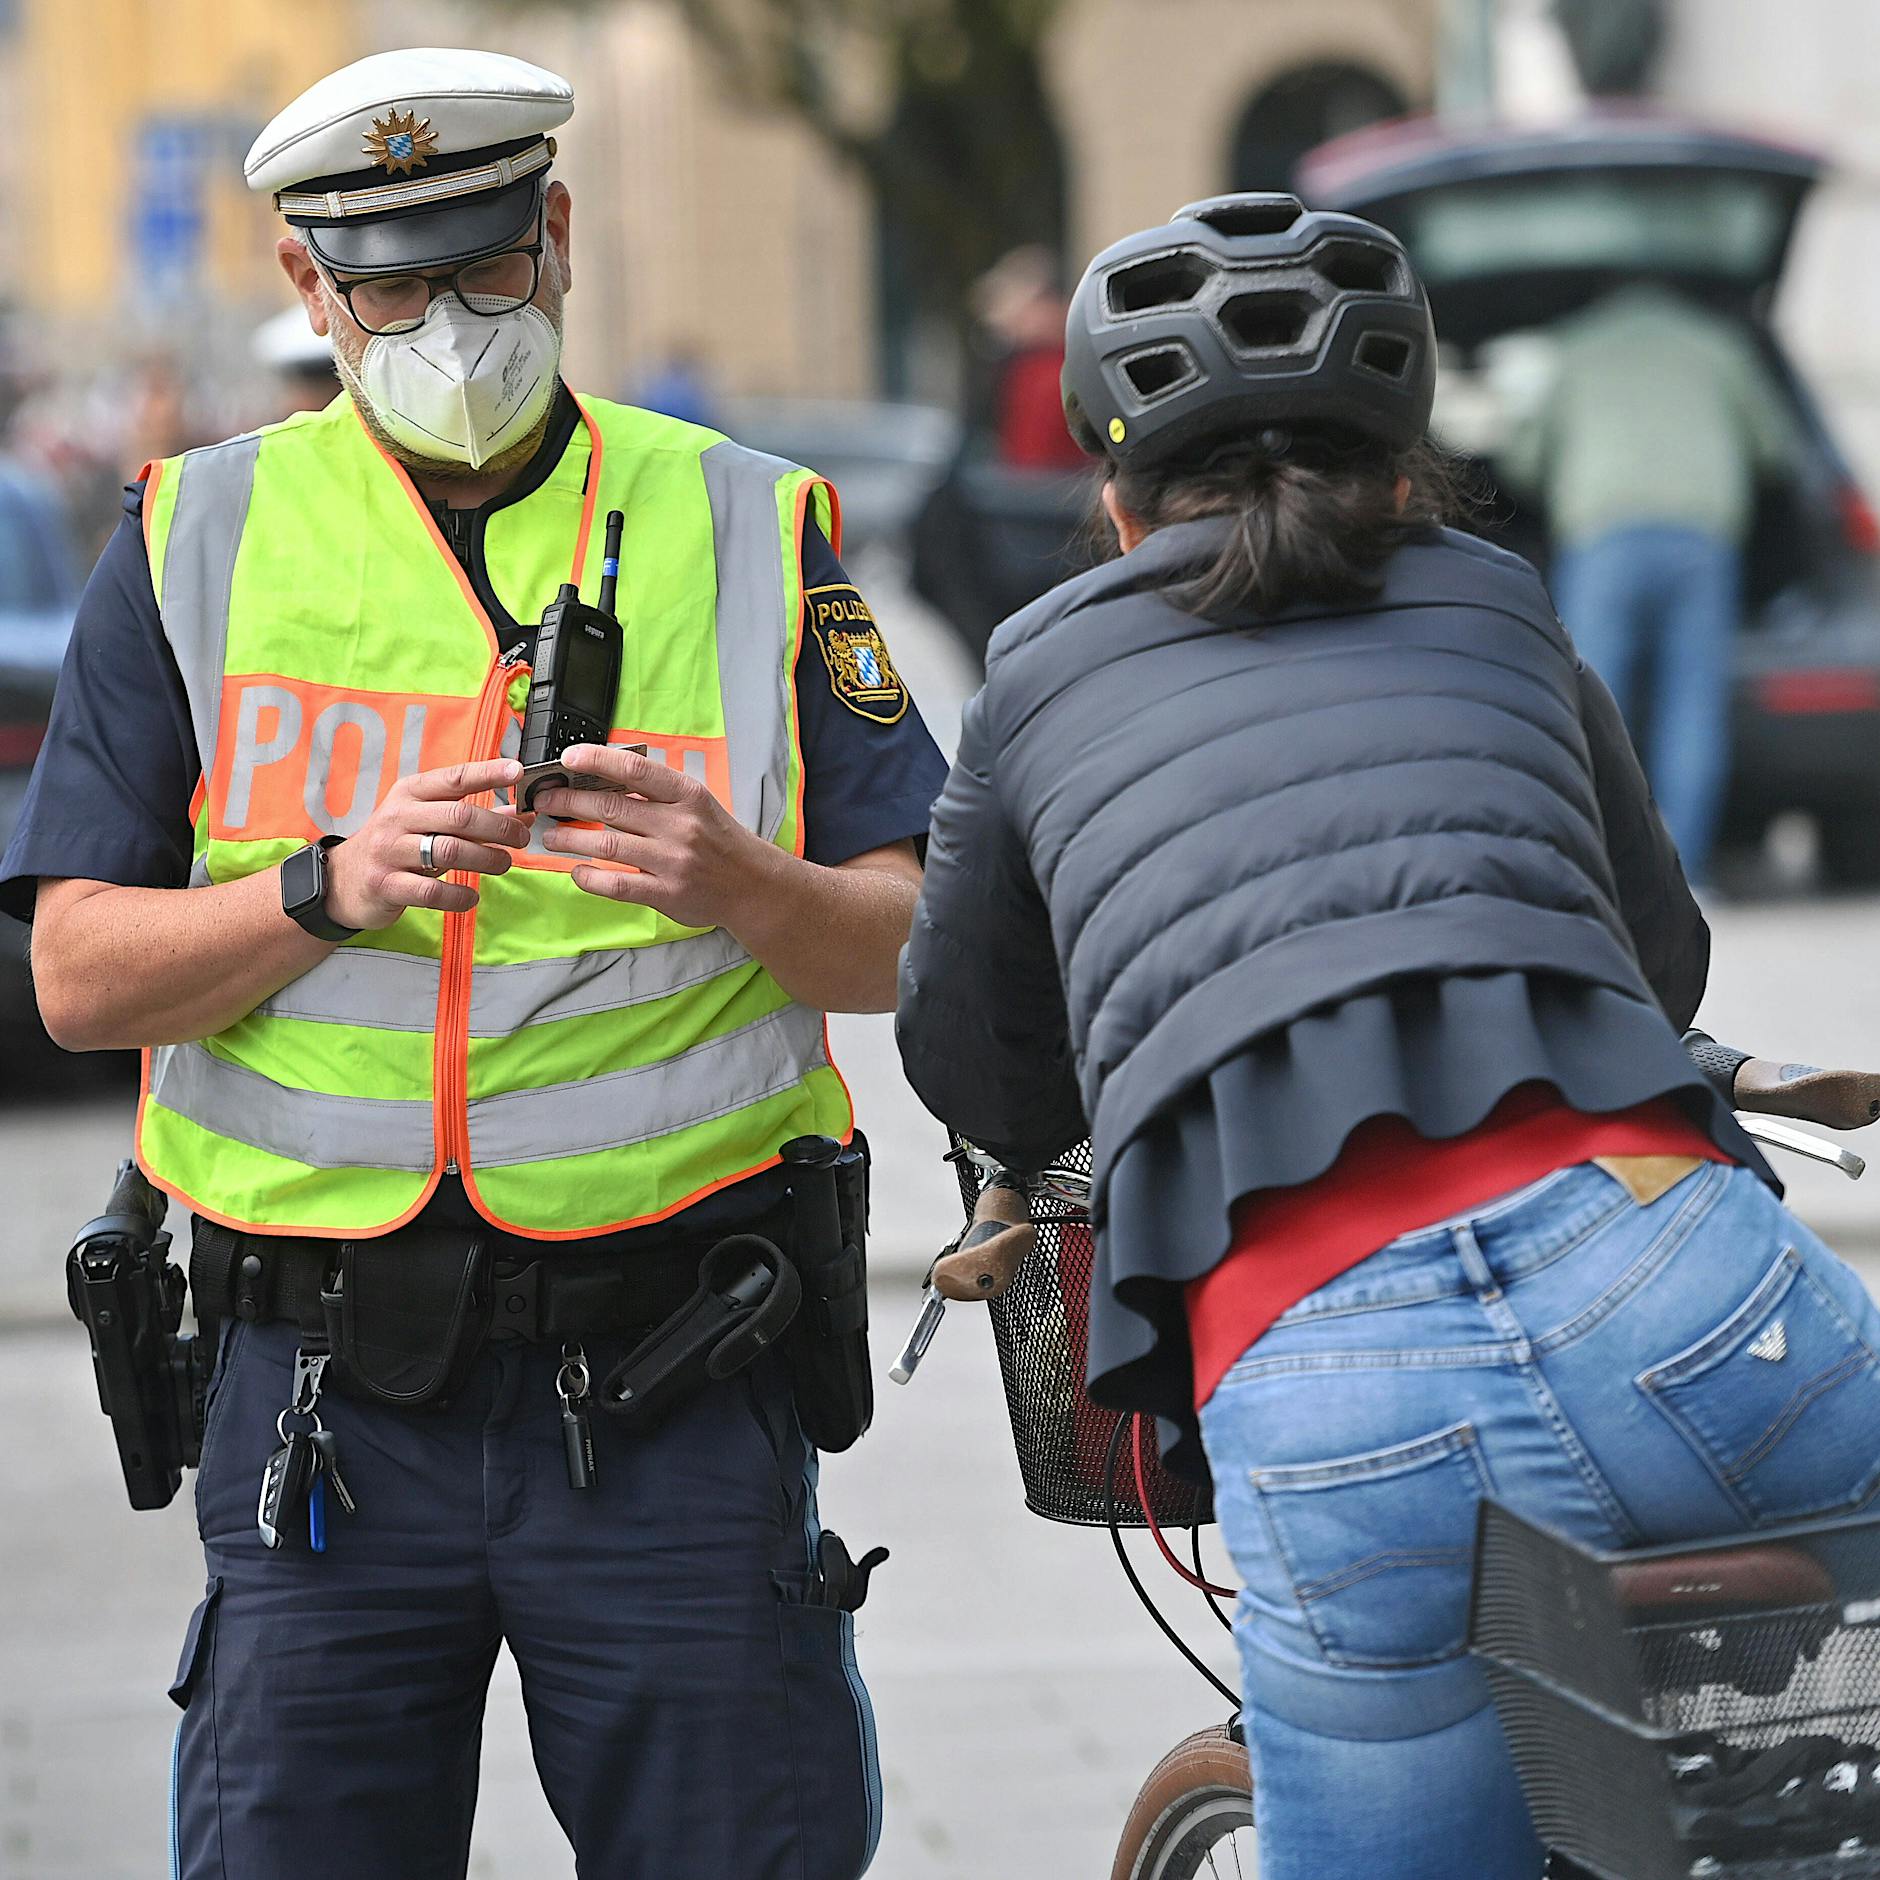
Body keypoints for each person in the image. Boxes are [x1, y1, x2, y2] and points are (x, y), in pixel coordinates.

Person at [1, 47, 948, 1880]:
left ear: (561, 236)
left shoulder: (755, 524)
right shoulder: (190, 538)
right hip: (324, 1410)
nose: (451, 323)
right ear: (310, 292)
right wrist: (321, 888)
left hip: (675, 1378)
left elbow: (922, 939)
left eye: (489, 268)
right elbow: (80, 980)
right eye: (394, 288)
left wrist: (746, 883)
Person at [895, 194, 1880, 1879]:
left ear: (1115, 498)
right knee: (1811, 1812)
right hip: (1702, 1303)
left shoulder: (1037, 671)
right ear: (1413, 465)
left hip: (1342, 1388)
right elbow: (1663, 964)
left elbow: (971, 1059)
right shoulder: (1497, 602)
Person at [1500, 282, 1801, 884]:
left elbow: (1522, 460)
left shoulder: (1574, 347)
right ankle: (1684, 879)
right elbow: (1776, 447)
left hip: (1604, 532)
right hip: (1700, 534)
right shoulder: (1718, 346)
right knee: (1692, 705)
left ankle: (1600, 874)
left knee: (1592, 701)